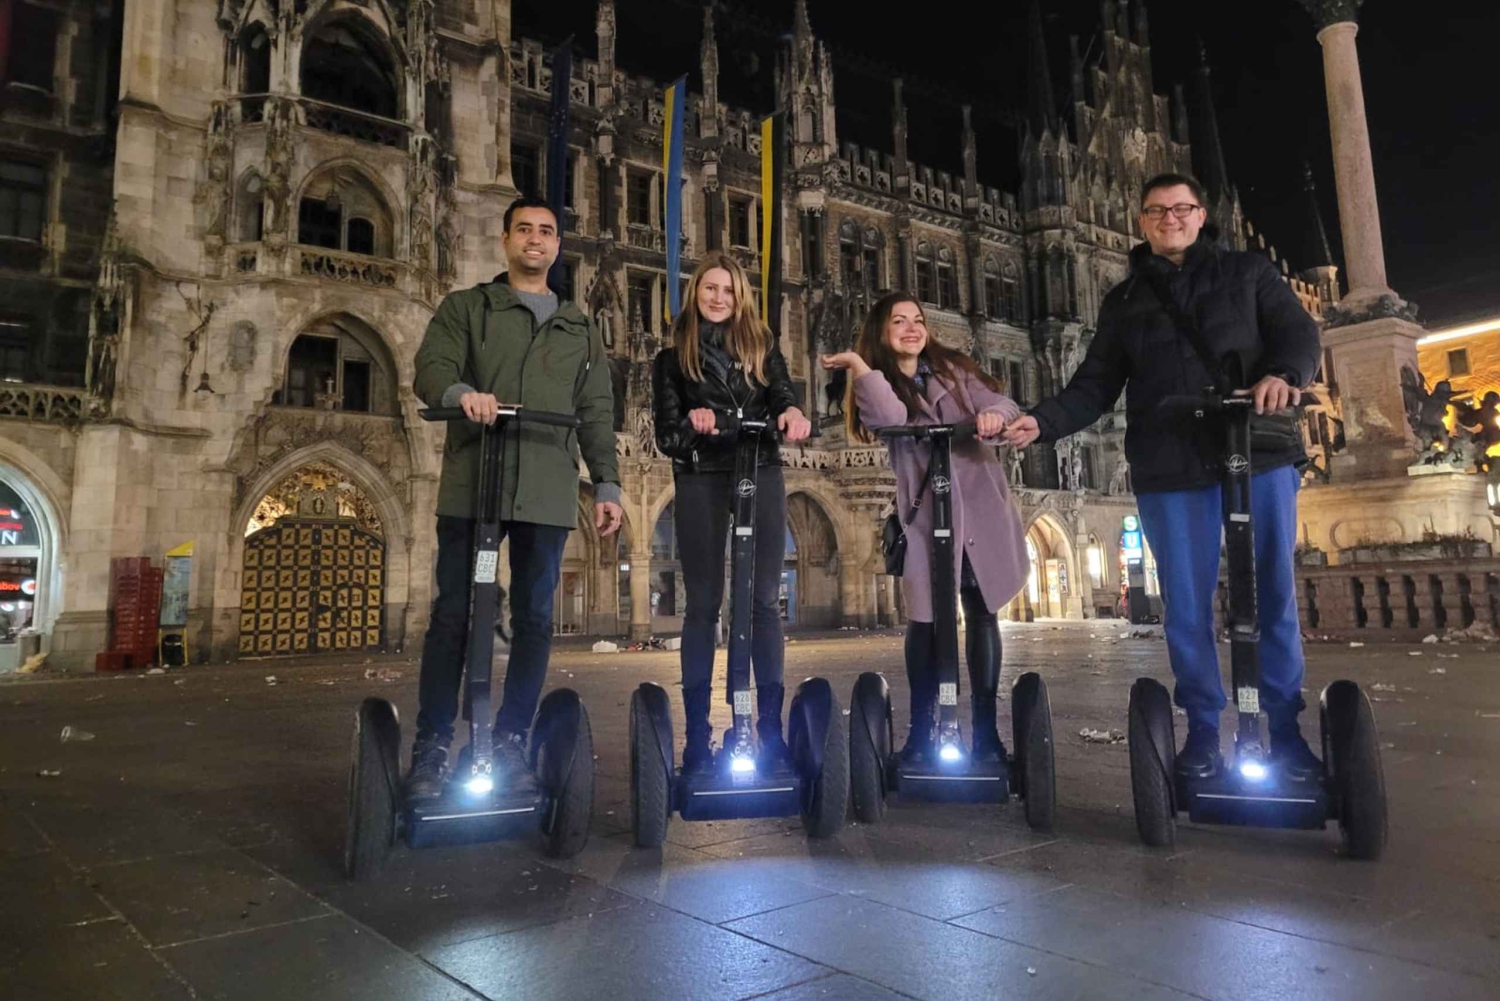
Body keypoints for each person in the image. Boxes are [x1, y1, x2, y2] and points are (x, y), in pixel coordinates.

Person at [1002, 172, 1322, 781]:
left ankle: (1284, 728)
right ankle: (1203, 730)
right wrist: (1038, 424)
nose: (1170, 219)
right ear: (1142, 222)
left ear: (1202, 216)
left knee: (1273, 595)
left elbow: (1298, 334)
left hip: (1257, 450)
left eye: (1182, 208)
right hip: (1168, 464)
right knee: (1185, 606)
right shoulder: (1125, 302)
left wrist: (1283, 374)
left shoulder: (1249, 273)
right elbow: (1093, 386)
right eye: (1156, 211)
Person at [407, 195, 623, 797]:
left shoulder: (579, 327)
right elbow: (430, 366)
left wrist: (606, 483)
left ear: (558, 246)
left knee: (533, 618)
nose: (535, 239)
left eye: (547, 231)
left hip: (548, 488)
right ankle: (432, 745)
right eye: (524, 229)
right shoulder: (467, 308)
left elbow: (597, 410)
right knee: (454, 614)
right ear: (504, 240)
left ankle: (509, 741)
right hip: (474, 482)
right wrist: (459, 392)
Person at [821, 292, 1028, 763]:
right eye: (899, 321)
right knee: (924, 620)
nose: (912, 328)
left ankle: (986, 729)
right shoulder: (878, 385)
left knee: (981, 612)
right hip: (925, 517)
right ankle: (922, 728)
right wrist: (858, 363)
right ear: (881, 331)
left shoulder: (955, 371)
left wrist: (996, 414)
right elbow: (891, 420)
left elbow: (1001, 401)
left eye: (918, 320)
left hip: (978, 511)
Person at [652, 253, 812, 772]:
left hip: (759, 469)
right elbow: (667, 436)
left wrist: (790, 412)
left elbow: (784, 398)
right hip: (701, 475)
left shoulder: (762, 348)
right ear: (695, 292)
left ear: (740, 297)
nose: (718, 298)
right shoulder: (672, 358)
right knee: (703, 603)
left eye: (728, 290)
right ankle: (697, 734)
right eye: (709, 288)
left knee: (764, 600)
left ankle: (769, 729)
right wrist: (696, 423)